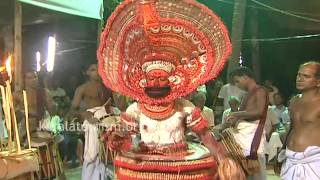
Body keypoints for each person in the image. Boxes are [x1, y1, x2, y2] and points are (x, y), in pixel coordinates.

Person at [97, 0, 244, 179]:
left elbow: (206, 137)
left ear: (172, 80)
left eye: (161, 78)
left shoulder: (185, 107)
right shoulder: (134, 109)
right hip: (146, 165)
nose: (156, 83)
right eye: (152, 78)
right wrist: (117, 139)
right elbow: (125, 138)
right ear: (144, 81)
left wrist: (223, 158)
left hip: (179, 166)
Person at [225, 67, 269, 180]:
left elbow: (259, 111)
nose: (236, 84)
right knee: (244, 172)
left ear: (245, 76)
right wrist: (234, 119)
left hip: (253, 136)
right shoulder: (246, 95)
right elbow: (246, 114)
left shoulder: (260, 90)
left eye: (237, 81)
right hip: (243, 137)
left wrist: (237, 114)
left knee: (256, 172)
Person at [280, 61, 320, 180]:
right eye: (299, 75)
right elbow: (293, 128)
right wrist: (282, 152)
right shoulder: (294, 101)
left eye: (306, 76)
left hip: (314, 161)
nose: (300, 79)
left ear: (318, 82)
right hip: (290, 159)